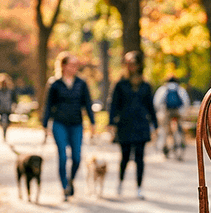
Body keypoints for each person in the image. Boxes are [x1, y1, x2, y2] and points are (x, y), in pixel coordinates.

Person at [42, 52, 96, 200]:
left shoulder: (81, 83)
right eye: (72, 65)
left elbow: (87, 104)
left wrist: (92, 122)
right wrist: (45, 125)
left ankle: (71, 179)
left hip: (76, 124)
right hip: (59, 123)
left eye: (76, 65)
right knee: (63, 156)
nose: (75, 68)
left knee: (77, 157)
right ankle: (64, 186)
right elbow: (48, 105)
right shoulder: (55, 83)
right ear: (64, 66)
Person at [108, 51, 155, 199]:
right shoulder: (120, 84)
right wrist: (111, 123)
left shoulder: (146, 85)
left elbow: (150, 106)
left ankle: (139, 187)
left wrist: (156, 125)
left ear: (139, 65)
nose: (130, 67)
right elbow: (113, 104)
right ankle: (120, 183)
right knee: (125, 156)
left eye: (133, 63)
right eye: (128, 64)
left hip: (141, 124)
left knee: (140, 158)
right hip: (125, 124)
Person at [152, 74, 191, 157]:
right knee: (179, 128)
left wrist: (159, 112)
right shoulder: (180, 89)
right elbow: (186, 102)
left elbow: (156, 102)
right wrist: (184, 112)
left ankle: (165, 146)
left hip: (166, 112)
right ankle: (180, 143)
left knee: (164, 130)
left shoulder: (163, 89)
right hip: (178, 112)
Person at [0, 72, 16, 141]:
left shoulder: (11, 90)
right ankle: (3, 130)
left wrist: (14, 105)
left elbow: (14, 98)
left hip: (8, 107)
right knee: (1, 120)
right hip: (0, 107)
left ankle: (5, 131)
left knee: (7, 121)